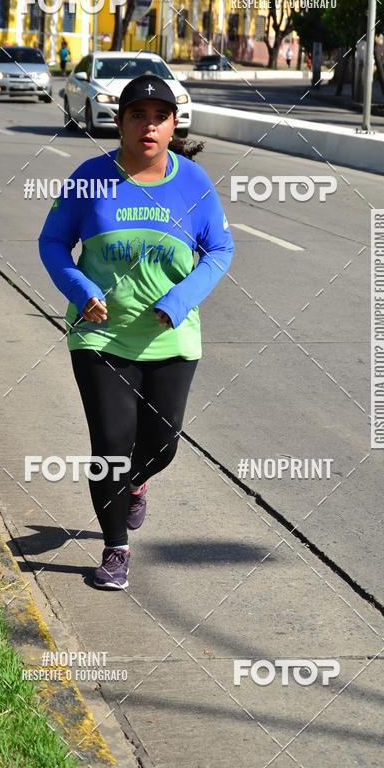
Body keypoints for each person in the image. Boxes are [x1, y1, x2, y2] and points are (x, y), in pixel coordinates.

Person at [39, 75, 234, 590]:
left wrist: (178, 300)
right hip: (100, 335)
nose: (148, 126)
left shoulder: (193, 183)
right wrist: (81, 290)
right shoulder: (88, 178)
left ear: (173, 124)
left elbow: (220, 251)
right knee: (110, 443)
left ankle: (137, 482)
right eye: (137, 116)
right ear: (120, 122)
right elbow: (53, 242)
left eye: (159, 117)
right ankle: (115, 549)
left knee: (163, 442)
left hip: (171, 335)